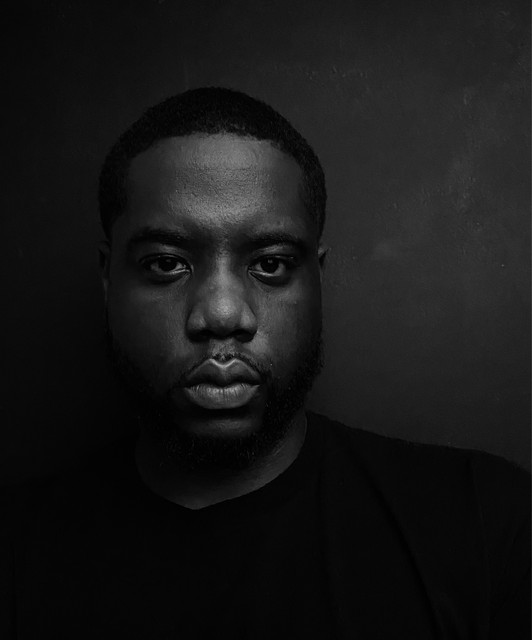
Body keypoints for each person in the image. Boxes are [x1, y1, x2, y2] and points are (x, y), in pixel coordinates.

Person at [1, 87, 529, 639]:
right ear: (109, 278)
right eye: (166, 263)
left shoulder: (487, 527)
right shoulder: (15, 556)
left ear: (317, 279)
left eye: (271, 264)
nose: (222, 313)